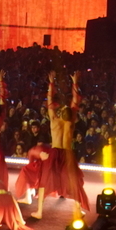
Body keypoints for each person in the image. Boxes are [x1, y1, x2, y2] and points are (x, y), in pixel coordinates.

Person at [31, 70, 88, 220]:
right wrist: (75, 82)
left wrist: (51, 83)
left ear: (62, 112)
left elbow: (50, 102)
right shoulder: (70, 122)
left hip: (55, 153)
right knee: (74, 181)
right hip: (67, 153)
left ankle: (39, 211)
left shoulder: (54, 121)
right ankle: (78, 210)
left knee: (45, 181)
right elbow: (76, 101)